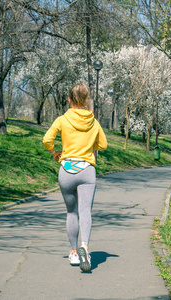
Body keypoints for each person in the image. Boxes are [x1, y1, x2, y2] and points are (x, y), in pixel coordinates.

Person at [43, 82, 107, 272]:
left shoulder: (62, 119)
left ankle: (73, 253)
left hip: (67, 169)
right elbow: (102, 145)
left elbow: (47, 139)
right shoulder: (94, 122)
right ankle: (85, 248)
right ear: (86, 100)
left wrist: (55, 152)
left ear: (69, 99)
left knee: (72, 212)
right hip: (87, 169)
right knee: (85, 211)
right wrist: (89, 145)